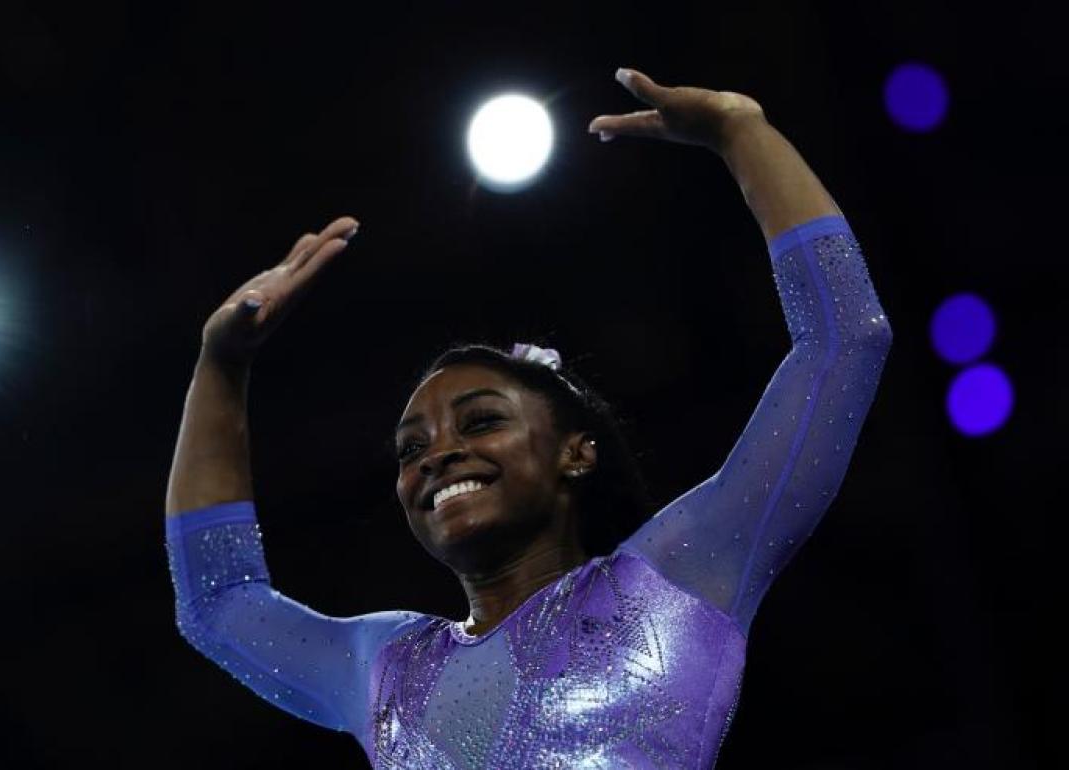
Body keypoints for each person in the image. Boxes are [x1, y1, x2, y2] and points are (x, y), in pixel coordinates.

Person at [164, 67, 893, 769]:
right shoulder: (382, 667)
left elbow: (843, 343)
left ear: (576, 453)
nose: (437, 455)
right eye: (411, 448)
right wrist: (220, 364)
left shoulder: (679, 579)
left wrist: (743, 132)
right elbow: (220, 602)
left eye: (480, 423)